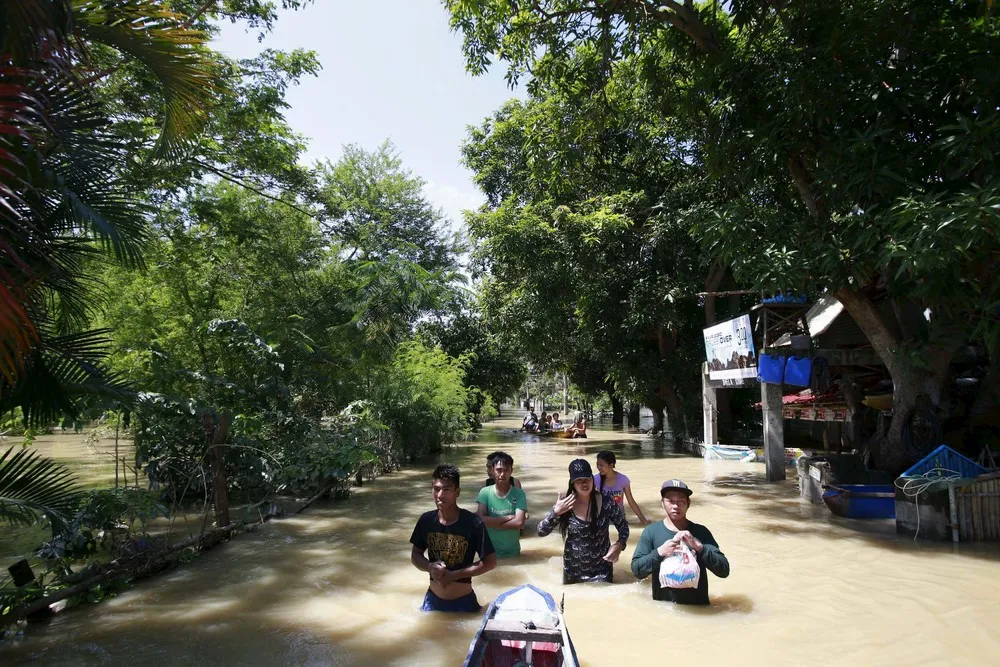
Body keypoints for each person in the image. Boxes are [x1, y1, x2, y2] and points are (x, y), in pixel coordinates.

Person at [410, 464, 497, 612]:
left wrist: (454, 575)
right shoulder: (426, 520)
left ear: (457, 492)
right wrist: (430, 567)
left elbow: (490, 562)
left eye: (446, 489)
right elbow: (415, 555)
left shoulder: (473, 523)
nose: (440, 495)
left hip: (464, 603)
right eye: (436, 489)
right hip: (432, 601)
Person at [630, 479, 729, 605]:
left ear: (688, 503)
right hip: (663, 609)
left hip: (698, 609)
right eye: (670, 501)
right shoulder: (651, 532)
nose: (676, 506)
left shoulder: (701, 532)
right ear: (662, 503)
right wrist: (660, 552)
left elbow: (724, 570)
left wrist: (699, 547)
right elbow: (637, 570)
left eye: (681, 501)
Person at [537, 459, 629, 584]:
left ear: (592, 479)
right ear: (572, 483)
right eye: (579, 480)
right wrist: (556, 512)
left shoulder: (607, 502)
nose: (584, 483)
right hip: (573, 572)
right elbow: (541, 532)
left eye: (587, 478)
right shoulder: (565, 505)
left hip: (602, 571)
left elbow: (623, 527)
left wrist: (619, 545)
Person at [476, 452, 528, 558]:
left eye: (506, 470)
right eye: (499, 470)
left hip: (513, 552)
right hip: (489, 553)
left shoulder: (519, 493)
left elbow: (519, 523)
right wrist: (507, 518)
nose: (502, 474)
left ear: (511, 471)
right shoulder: (485, 492)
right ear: (492, 470)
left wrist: (492, 523)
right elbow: (481, 519)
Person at [594, 451, 648, 525]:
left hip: (619, 519)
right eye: (597, 464)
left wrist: (643, 520)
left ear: (611, 465)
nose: (598, 467)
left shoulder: (623, 479)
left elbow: (631, 501)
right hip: (602, 520)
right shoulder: (595, 479)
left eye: (601, 465)